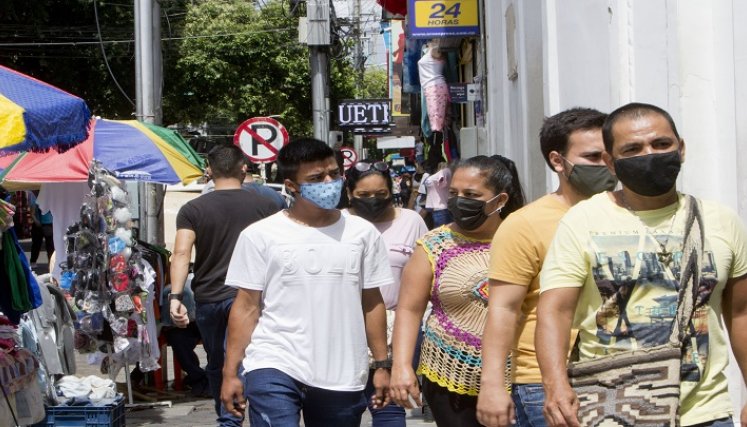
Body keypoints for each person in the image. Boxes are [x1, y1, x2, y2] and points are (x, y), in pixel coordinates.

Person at [536, 102, 747, 427]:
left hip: (706, 412)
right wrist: (555, 386)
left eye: (661, 144)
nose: (649, 154)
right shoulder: (584, 220)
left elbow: (740, 313)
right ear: (610, 162)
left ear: (681, 149)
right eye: (632, 149)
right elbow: (555, 311)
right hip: (611, 409)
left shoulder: (719, 221)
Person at [220, 138, 394, 427]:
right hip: (273, 361)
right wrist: (230, 373)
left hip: (342, 371)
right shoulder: (260, 235)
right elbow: (246, 307)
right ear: (291, 185)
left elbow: (372, 301)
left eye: (334, 174)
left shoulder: (362, 233)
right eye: (316, 178)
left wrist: (382, 364)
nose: (329, 182)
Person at [476, 108, 615, 427]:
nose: (605, 165)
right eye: (592, 156)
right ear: (557, 161)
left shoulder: (631, 216)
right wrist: (493, 385)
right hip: (545, 384)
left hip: (620, 376)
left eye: (610, 155)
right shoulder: (525, 224)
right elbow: (503, 310)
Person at [390, 155, 526, 426]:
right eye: (454, 193)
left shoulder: (524, 242)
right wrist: (402, 366)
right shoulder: (434, 245)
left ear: (499, 200)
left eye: (471, 194)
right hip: (449, 375)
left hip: (519, 375)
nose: (459, 200)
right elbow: (409, 309)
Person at [169, 144, 281, 426]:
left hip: (209, 298)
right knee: (256, 360)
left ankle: (228, 419)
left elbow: (181, 253)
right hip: (254, 297)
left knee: (219, 362)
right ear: (244, 169)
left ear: (209, 171)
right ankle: (260, 417)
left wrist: (176, 296)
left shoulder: (192, 209)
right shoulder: (268, 205)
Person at [344, 160, 428, 427]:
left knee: (390, 405)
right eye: (364, 195)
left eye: (381, 194)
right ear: (349, 194)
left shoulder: (411, 221)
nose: (373, 201)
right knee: (344, 406)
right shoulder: (338, 223)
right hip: (347, 327)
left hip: (399, 327)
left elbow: (427, 272)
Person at [28, 190, 54, 269]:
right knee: (37, 244)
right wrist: (36, 222)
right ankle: (33, 261)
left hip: (48, 224)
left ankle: (50, 262)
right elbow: (32, 213)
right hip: (39, 225)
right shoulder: (35, 200)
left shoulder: (49, 200)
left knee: (50, 246)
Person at [423, 161, 452, 227]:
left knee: (441, 233)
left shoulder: (445, 172)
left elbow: (441, 180)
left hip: (440, 209)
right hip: (441, 208)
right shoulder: (445, 175)